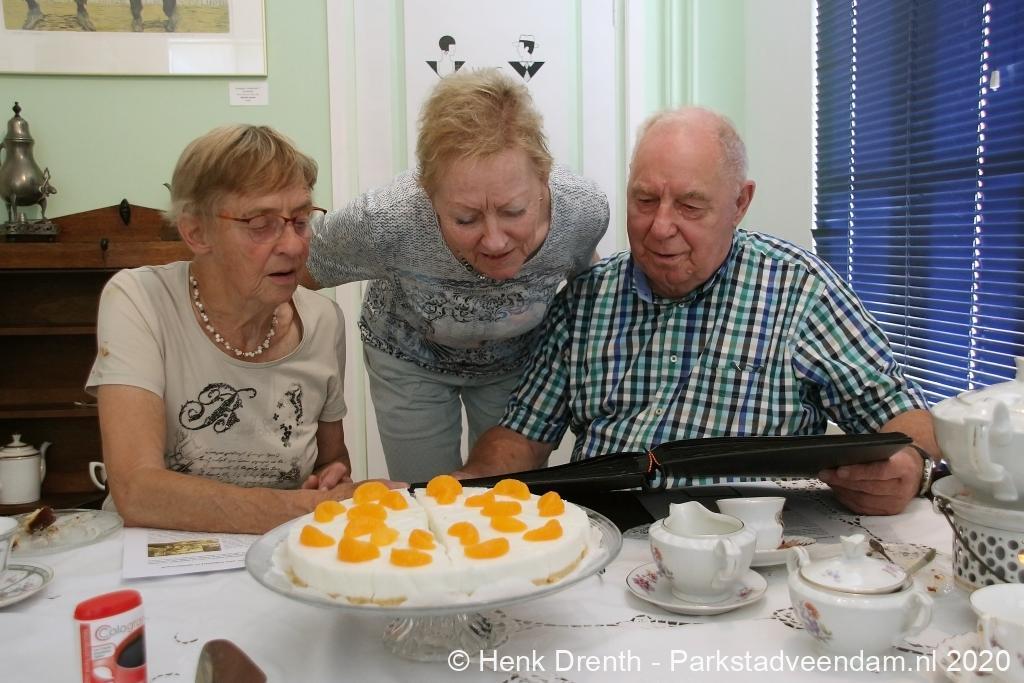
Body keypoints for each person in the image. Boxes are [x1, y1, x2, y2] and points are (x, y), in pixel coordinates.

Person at [460, 106, 940, 516]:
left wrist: (910, 466)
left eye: (690, 206)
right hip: (608, 539)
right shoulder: (586, 299)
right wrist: (466, 486)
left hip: (752, 547)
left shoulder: (800, 290)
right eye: (645, 200)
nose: (660, 227)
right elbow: (521, 436)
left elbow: (903, 417)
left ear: (740, 203)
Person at [304, 68, 609, 483]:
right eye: (466, 219)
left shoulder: (583, 212)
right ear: (427, 194)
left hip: (516, 359)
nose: (495, 241)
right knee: (427, 494)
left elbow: (588, 284)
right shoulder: (387, 220)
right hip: (408, 359)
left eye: (513, 212)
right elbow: (298, 263)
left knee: (506, 493)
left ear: (543, 179)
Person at [87, 124, 393, 534]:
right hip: (153, 554)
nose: (294, 246)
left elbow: (331, 461)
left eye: (300, 220)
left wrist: (329, 479)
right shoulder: (140, 300)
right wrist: (310, 507)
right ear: (196, 232)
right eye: (261, 224)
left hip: (274, 551)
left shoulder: (323, 320)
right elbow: (137, 491)